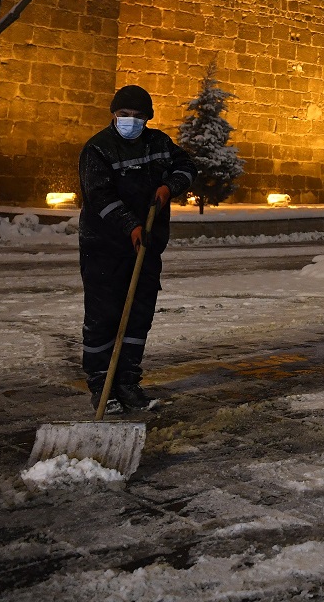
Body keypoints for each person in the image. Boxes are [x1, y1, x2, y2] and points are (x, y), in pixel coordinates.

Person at [77, 85, 195, 413]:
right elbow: (98, 196)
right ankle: (102, 386)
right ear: (114, 115)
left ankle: (128, 381)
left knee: (138, 315)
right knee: (103, 316)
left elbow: (187, 166)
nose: (130, 120)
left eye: (138, 116)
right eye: (124, 114)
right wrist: (130, 225)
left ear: (148, 118)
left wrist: (169, 187)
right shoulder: (98, 149)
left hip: (147, 246)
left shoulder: (159, 144)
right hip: (104, 247)